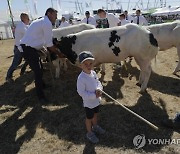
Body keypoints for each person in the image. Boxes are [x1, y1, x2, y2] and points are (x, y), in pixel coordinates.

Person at [19, 8, 64, 103]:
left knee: (40, 68)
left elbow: (42, 38)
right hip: (28, 49)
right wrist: (59, 53)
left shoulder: (42, 21)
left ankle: (42, 85)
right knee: (38, 72)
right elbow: (49, 45)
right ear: (49, 13)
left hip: (31, 48)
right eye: (55, 15)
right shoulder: (46, 23)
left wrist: (45, 47)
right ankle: (41, 96)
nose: (56, 18)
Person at [77, 51, 105, 144]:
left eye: (90, 64)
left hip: (96, 101)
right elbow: (81, 92)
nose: (89, 66)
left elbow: (98, 82)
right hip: (89, 103)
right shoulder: (81, 78)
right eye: (85, 64)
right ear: (81, 65)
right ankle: (89, 133)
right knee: (89, 118)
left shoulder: (93, 73)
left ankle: (95, 126)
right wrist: (93, 95)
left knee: (95, 114)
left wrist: (99, 89)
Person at [6, 13, 30, 83]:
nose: (28, 20)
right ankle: (8, 76)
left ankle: (22, 71)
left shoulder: (24, 26)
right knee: (16, 63)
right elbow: (28, 34)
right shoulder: (21, 27)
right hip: (19, 48)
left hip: (22, 47)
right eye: (27, 18)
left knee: (29, 59)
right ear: (24, 19)